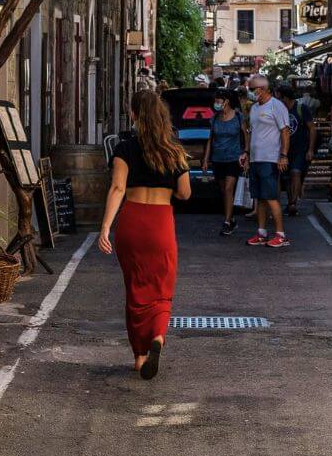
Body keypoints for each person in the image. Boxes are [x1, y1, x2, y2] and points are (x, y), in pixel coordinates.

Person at [98, 90, 191, 379]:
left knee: (136, 289)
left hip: (132, 221)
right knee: (161, 290)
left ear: (135, 115)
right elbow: (185, 193)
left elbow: (117, 189)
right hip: (161, 223)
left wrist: (105, 228)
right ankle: (158, 338)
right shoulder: (174, 150)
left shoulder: (124, 149)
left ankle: (139, 356)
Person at [240, 74, 291, 248]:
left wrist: (283, 155)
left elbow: (285, 131)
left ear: (262, 89)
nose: (251, 92)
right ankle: (261, 233)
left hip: (270, 158)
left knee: (270, 197)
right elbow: (251, 132)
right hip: (256, 158)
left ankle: (281, 234)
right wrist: (247, 153)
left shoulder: (277, 106)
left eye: (253, 89)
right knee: (259, 198)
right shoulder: (254, 108)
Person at [201, 88, 248, 235]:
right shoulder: (214, 118)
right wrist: (206, 159)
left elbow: (246, 137)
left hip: (233, 158)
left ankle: (227, 222)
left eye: (218, 101)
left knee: (228, 189)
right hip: (218, 159)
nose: (216, 103)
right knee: (223, 190)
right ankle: (231, 217)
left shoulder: (239, 117)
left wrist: (246, 153)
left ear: (226, 101)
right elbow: (210, 140)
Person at [277, 83, 316, 215]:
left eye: (279, 98)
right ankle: (290, 202)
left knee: (296, 172)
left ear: (285, 98)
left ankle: (293, 203)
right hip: (284, 149)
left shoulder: (301, 108)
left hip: (300, 148)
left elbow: (312, 128)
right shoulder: (279, 110)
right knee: (287, 177)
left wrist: (310, 149)